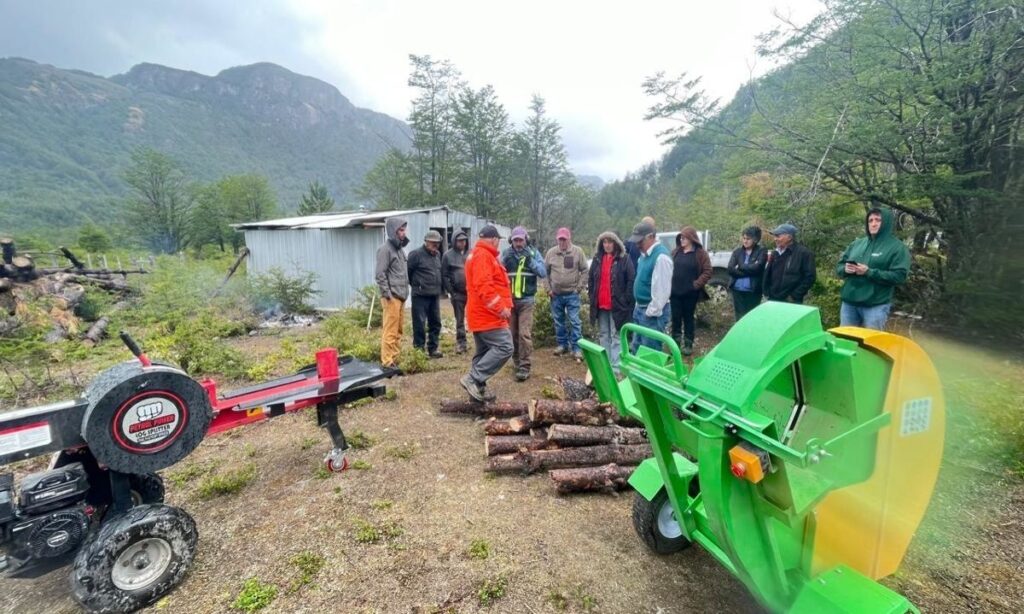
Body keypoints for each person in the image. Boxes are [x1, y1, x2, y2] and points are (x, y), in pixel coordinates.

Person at [461, 225, 514, 403]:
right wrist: (501, 308)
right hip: (488, 315)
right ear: (494, 239)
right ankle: (473, 378)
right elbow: (485, 287)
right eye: (498, 240)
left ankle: (478, 391)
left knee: (483, 352)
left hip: (481, 314)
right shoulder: (483, 256)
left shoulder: (479, 254)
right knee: (505, 347)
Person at [836, 207, 910, 330]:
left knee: (870, 344)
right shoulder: (857, 244)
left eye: (878, 220)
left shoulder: (897, 248)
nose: (873, 224)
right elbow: (839, 266)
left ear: (886, 222)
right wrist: (845, 269)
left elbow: (900, 276)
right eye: (870, 220)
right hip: (849, 303)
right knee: (845, 341)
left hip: (875, 305)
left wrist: (869, 272)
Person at [501, 226, 547, 382]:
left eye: (521, 240)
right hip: (510, 301)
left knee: (524, 334)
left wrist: (531, 261)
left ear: (526, 239)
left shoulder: (533, 253)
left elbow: (543, 272)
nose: (518, 243)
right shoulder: (506, 254)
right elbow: (498, 274)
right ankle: (517, 361)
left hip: (527, 300)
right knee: (512, 334)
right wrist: (503, 265)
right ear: (511, 241)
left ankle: (525, 365)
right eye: (515, 240)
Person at [587, 231, 635, 373]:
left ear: (616, 243)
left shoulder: (624, 259)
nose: (607, 245)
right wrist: (592, 296)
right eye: (604, 242)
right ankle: (605, 364)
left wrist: (626, 299)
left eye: (610, 242)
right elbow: (591, 279)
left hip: (617, 305)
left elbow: (631, 280)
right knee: (603, 334)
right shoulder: (597, 259)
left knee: (616, 335)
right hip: (600, 304)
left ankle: (616, 366)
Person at [544, 227, 588, 360]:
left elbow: (585, 270)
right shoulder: (551, 253)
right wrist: (548, 289)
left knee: (574, 321)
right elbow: (544, 272)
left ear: (569, 239)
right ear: (557, 239)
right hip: (556, 295)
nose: (562, 242)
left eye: (564, 239)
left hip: (572, 294)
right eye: (560, 239)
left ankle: (576, 348)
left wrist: (578, 288)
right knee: (558, 321)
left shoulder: (577, 251)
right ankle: (562, 345)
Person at [629, 219, 673, 351]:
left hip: (652, 314)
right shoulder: (643, 256)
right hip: (640, 309)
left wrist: (650, 313)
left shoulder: (661, 258)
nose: (637, 244)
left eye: (640, 241)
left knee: (649, 353)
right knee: (636, 349)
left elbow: (662, 292)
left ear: (651, 237)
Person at [669, 226, 712, 356]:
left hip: (690, 294)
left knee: (688, 319)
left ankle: (688, 344)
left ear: (691, 238)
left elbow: (708, 271)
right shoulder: (676, 252)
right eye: (680, 237)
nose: (681, 240)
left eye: (684, 238)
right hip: (675, 293)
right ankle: (675, 344)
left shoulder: (700, 254)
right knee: (675, 319)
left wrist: (696, 284)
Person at [374, 216, 409, 368]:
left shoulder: (400, 250)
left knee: (398, 331)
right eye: (401, 230)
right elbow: (380, 274)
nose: (403, 233)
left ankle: (394, 358)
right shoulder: (385, 249)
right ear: (393, 231)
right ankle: (387, 361)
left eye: (404, 230)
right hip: (392, 296)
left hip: (401, 296)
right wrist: (387, 294)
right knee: (390, 330)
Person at [406, 230, 445, 358]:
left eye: (437, 243)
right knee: (419, 324)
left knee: (435, 323)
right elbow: (409, 273)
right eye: (433, 243)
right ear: (426, 241)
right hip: (420, 295)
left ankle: (433, 349)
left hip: (434, 295)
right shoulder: (416, 254)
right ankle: (419, 351)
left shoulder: (438, 255)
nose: (435, 245)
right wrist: (418, 285)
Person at [763, 223, 816, 304]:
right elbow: (768, 274)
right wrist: (767, 291)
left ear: (789, 237)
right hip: (772, 298)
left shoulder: (804, 253)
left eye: (778, 236)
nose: (775, 239)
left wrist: (795, 295)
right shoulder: (775, 253)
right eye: (774, 236)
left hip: (791, 301)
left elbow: (810, 277)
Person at [727, 226, 768, 320]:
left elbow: (758, 268)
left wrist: (740, 267)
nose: (745, 241)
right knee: (739, 317)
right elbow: (730, 269)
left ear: (755, 240)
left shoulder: (761, 251)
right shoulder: (737, 251)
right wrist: (749, 271)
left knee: (751, 317)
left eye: (748, 239)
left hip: (753, 290)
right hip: (737, 290)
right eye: (744, 238)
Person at [442, 230, 470, 354]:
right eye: (459, 240)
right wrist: (451, 291)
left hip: (472, 292)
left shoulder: (471, 254)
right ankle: (461, 343)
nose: (462, 243)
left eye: (464, 240)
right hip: (457, 293)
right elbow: (444, 275)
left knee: (476, 317)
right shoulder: (447, 255)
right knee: (459, 319)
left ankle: (482, 342)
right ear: (454, 241)